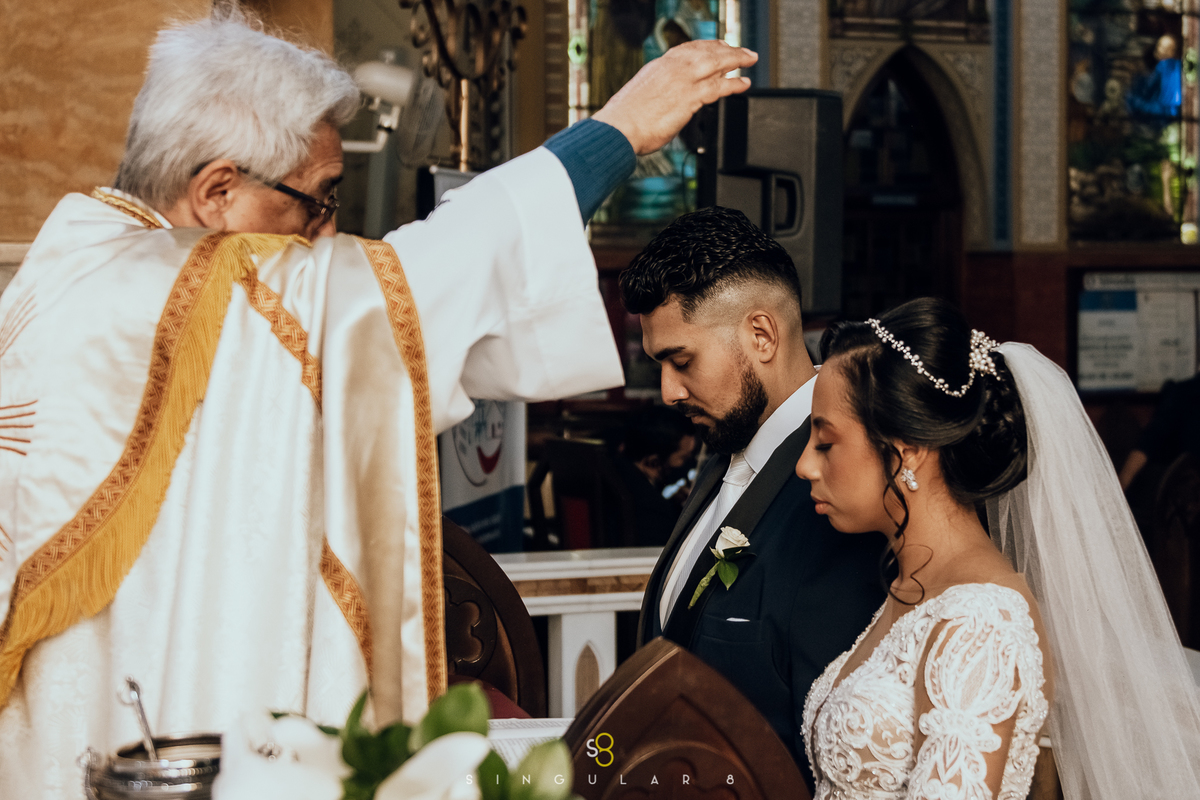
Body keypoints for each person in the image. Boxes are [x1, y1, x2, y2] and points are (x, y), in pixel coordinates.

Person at [0, 7, 757, 797]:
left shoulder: (76, 267)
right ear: (218, 191)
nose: (329, 237)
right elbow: (423, 288)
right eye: (319, 201)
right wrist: (616, 132)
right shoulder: (180, 298)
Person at [797, 297, 1200, 799]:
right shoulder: (913, 583)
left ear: (909, 451)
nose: (805, 466)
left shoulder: (979, 620)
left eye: (825, 443)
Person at [621, 206, 886, 785]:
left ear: (761, 336)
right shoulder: (723, 445)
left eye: (681, 361)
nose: (668, 392)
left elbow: (834, 737)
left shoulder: (843, 490)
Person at [612, 405, 697, 546]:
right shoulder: (652, 510)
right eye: (683, 458)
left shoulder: (613, 472)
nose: (687, 463)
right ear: (653, 462)